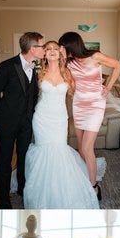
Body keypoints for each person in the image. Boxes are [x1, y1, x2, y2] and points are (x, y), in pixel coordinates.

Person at [23, 41, 99, 209]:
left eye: (55, 49)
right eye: (48, 49)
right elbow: (28, 96)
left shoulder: (68, 73)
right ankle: (43, 188)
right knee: (44, 150)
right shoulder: (38, 73)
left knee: (59, 149)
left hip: (59, 119)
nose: (52, 51)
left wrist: (97, 97)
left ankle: (61, 186)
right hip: (42, 119)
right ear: (44, 53)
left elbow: (81, 90)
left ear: (60, 53)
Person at [59, 31, 120, 201]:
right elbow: (72, 85)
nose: (61, 50)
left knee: (87, 148)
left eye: (63, 47)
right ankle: (83, 177)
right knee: (81, 147)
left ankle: (94, 186)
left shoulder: (95, 56)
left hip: (95, 104)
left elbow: (118, 66)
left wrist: (108, 86)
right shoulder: (69, 63)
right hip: (79, 104)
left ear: (71, 45)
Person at [0, 32, 44, 209]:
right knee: (5, 160)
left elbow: (32, 94)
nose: (43, 49)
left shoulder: (34, 67)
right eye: (41, 46)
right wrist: (5, 113)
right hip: (8, 123)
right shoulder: (7, 66)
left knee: (24, 156)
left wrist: (31, 113)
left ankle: (21, 188)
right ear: (32, 48)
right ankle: (4, 199)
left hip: (26, 123)